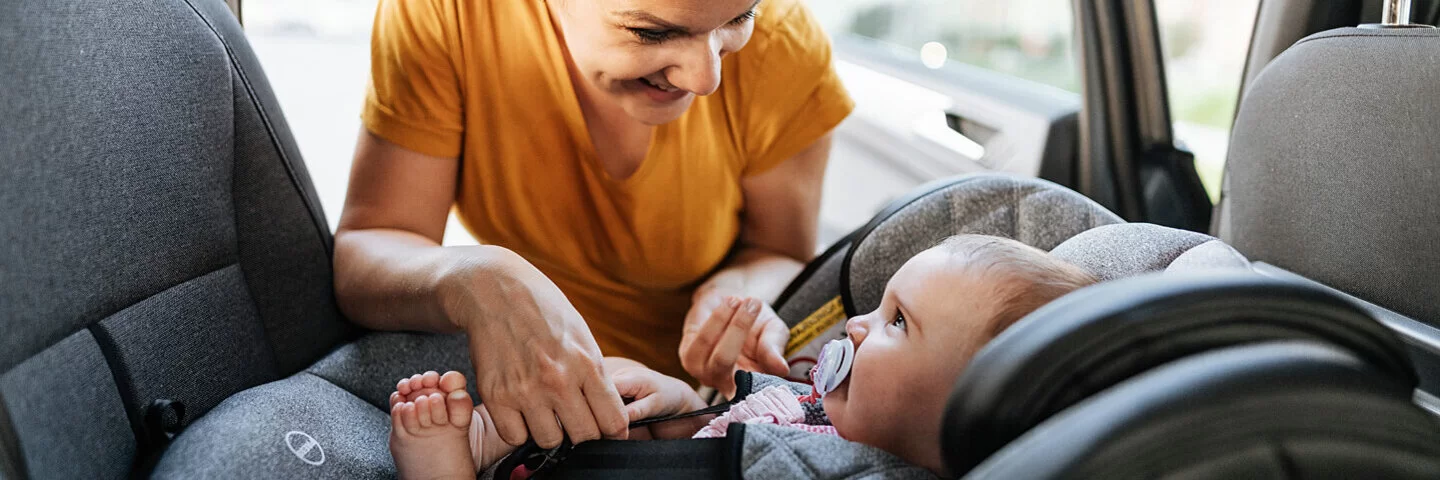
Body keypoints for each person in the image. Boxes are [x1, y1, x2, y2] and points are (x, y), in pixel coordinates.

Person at [332, 0, 854, 452]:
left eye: (741, 17)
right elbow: (367, 249)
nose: (705, 79)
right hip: (515, 394)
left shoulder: (786, 47)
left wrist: (735, 297)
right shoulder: (449, 16)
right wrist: (475, 279)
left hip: (685, 407)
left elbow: (780, 250)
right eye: (651, 32)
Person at [384, 235, 1100, 478]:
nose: (853, 327)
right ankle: (484, 437)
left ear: (968, 413)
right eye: (878, 304)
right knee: (591, 393)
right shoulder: (825, 406)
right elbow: (733, 420)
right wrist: (676, 406)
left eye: (897, 324)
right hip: (662, 447)